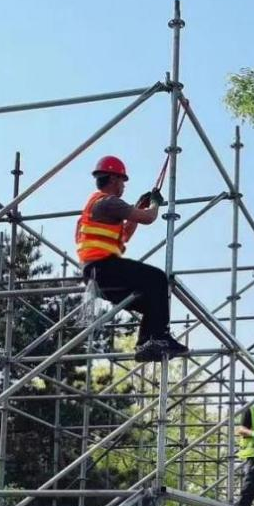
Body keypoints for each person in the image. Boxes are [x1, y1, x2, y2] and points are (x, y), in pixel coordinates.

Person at [76, 155, 188, 362]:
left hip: (95, 272)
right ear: (113, 179)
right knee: (157, 278)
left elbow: (125, 234)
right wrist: (154, 204)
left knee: (150, 300)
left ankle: (147, 343)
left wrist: (139, 206)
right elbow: (149, 218)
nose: (124, 186)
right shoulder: (108, 202)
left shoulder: (96, 205)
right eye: (122, 181)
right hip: (103, 268)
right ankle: (157, 338)